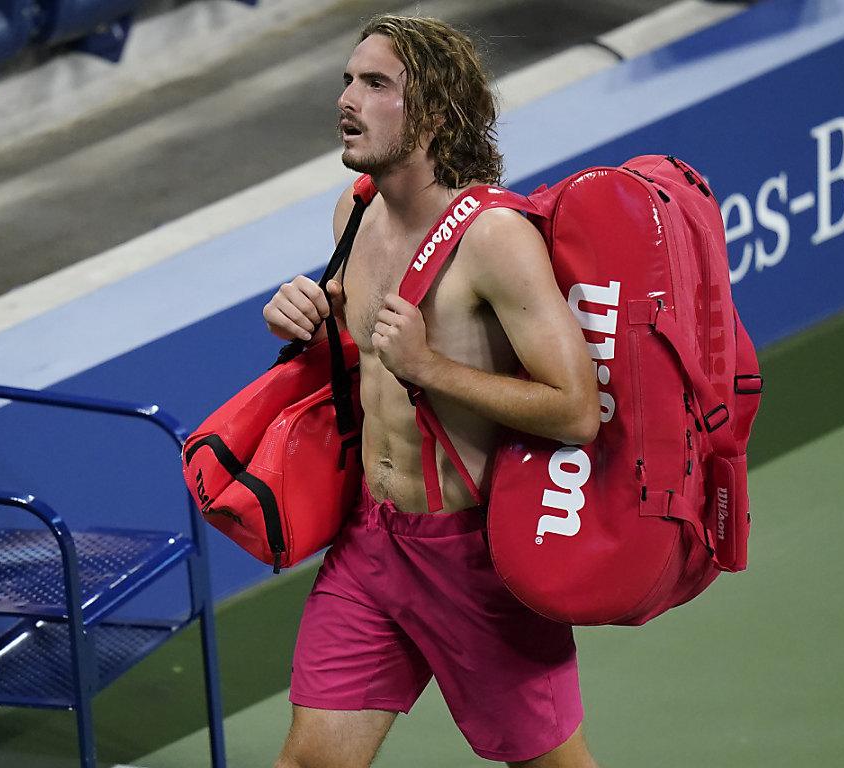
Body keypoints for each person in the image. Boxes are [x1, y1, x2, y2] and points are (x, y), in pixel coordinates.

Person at [262, 14, 601, 768]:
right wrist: (308, 322)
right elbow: (366, 364)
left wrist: (432, 369)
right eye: (348, 79)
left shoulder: (494, 239)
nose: (348, 98)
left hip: (475, 560)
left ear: (434, 114)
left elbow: (576, 411)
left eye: (376, 84)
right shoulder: (354, 212)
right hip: (370, 545)